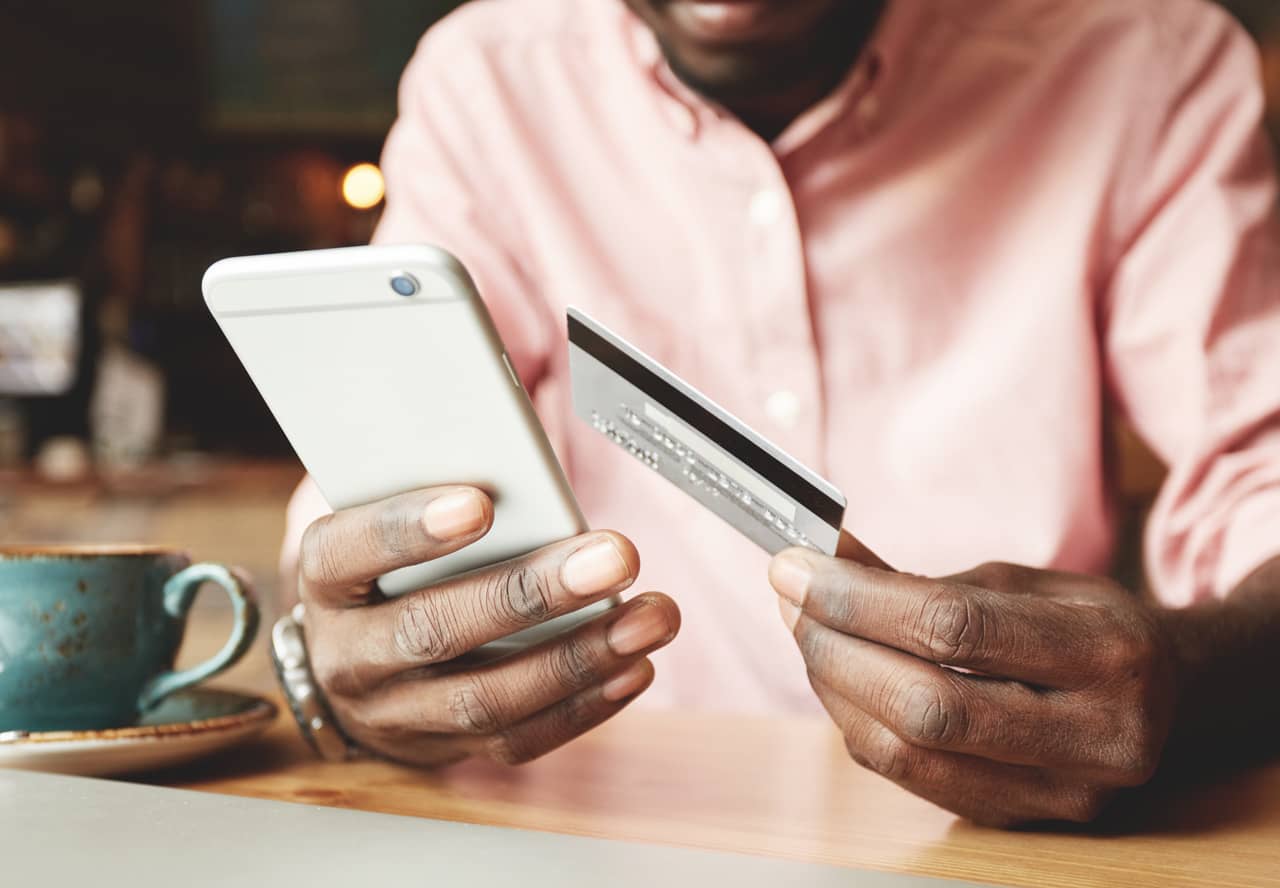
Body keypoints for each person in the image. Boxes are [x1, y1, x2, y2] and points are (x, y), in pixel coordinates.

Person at [279, 0, 1280, 827]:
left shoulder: (1148, 63)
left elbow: (1261, 468)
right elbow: (380, 489)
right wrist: (354, 652)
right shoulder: (487, 82)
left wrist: (1206, 677)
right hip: (604, 823)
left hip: (1014, 849)